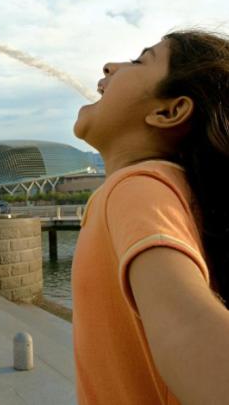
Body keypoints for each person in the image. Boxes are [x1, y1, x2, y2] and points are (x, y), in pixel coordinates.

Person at [71, 29, 229, 404]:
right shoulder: (171, 191)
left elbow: (187, 328)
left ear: (168, 111)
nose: (110, 66)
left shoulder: (137, 188)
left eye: (140, 60)